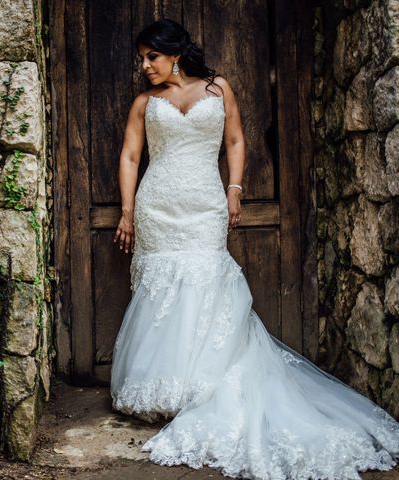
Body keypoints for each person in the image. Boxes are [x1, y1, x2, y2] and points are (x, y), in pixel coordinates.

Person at [110, 18, 399, 479]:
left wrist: (235, 189)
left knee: (207, 281)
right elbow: (129, 156)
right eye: (142, 59)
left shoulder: (217, 88)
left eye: (152, 57)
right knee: (162, 287)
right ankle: (164, 387)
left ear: (176, 55)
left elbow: (236, 140)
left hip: (205, 204)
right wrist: (126, 211)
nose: (144, 66)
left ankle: (199, 384)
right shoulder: (145, 103)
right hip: (157, 206)